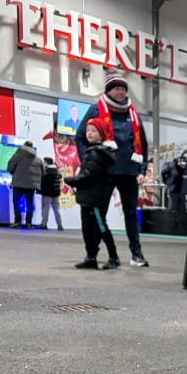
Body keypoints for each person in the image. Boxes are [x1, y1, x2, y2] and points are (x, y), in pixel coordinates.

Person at [75, 71, 151, 267]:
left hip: (128, 171)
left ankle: (137, 254)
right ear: (108, 90)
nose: (121, 92)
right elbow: (80, 137)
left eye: (123, 89)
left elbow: (142, 143)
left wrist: (142, 169)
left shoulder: (133, 114)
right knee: (98, 214)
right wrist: (87, 162)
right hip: (104, 172)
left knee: (131, 213)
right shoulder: (96, 109)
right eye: (117, 88)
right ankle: (92, 255)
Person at [64, 118, 121, 270]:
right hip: (88, 198)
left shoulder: (98, 154)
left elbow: (88, 175)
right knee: (88, 229)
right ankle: (91, 257)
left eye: (94, 131)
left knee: (101, 228)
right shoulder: (93, 152)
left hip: (95, 199)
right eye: (88, 130)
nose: (89, 133)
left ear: (102, 134)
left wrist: (71, 180)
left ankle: (113, 257)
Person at [6, 140, 43, 229]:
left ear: (24, 146)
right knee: (29, 204)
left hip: (18, 183)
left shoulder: (18, 155)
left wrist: (14, 174)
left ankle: (18, 222)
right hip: (31, 186)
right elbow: (43, 172)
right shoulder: (38, 159)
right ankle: (28, 223)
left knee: (16, 202)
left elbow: (10, 166)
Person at [37, 156, 64, 230]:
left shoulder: (46, 172)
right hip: (56, 193)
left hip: (47, 193)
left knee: (46, 208)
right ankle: (60, 225)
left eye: (44, 162)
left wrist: (39, 191)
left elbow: (43, 183)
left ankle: (44, 224)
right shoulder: (57, 172)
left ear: (46, 163)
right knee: (56, 209)